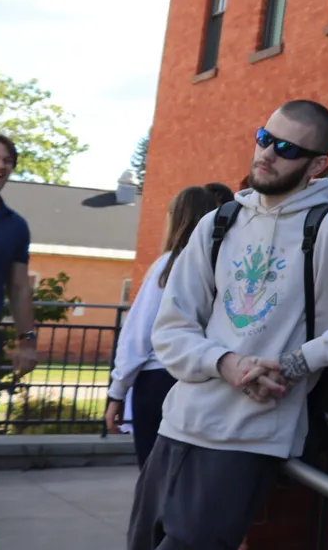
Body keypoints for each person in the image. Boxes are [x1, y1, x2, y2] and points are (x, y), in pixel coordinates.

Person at [128, 101, 328, 550]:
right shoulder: (218, 224)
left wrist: (299, 361)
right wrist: (226, 363)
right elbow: (170, 329)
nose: (267, 154)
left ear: (317, 165)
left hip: (249, 438)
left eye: (286, 148)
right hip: (177, 425)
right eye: (264, 138)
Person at [105, 184, 232, 467]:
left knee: (154, 475)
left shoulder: (167, 267)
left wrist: (117, 391)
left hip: (157, 377)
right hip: (202, 377)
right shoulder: (221, 267)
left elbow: (138, 335)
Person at [0, 133, 38, 398]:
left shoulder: (16, 227)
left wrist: (27, 341)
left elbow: (19, 288)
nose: (0, 166)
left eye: (7, 161)